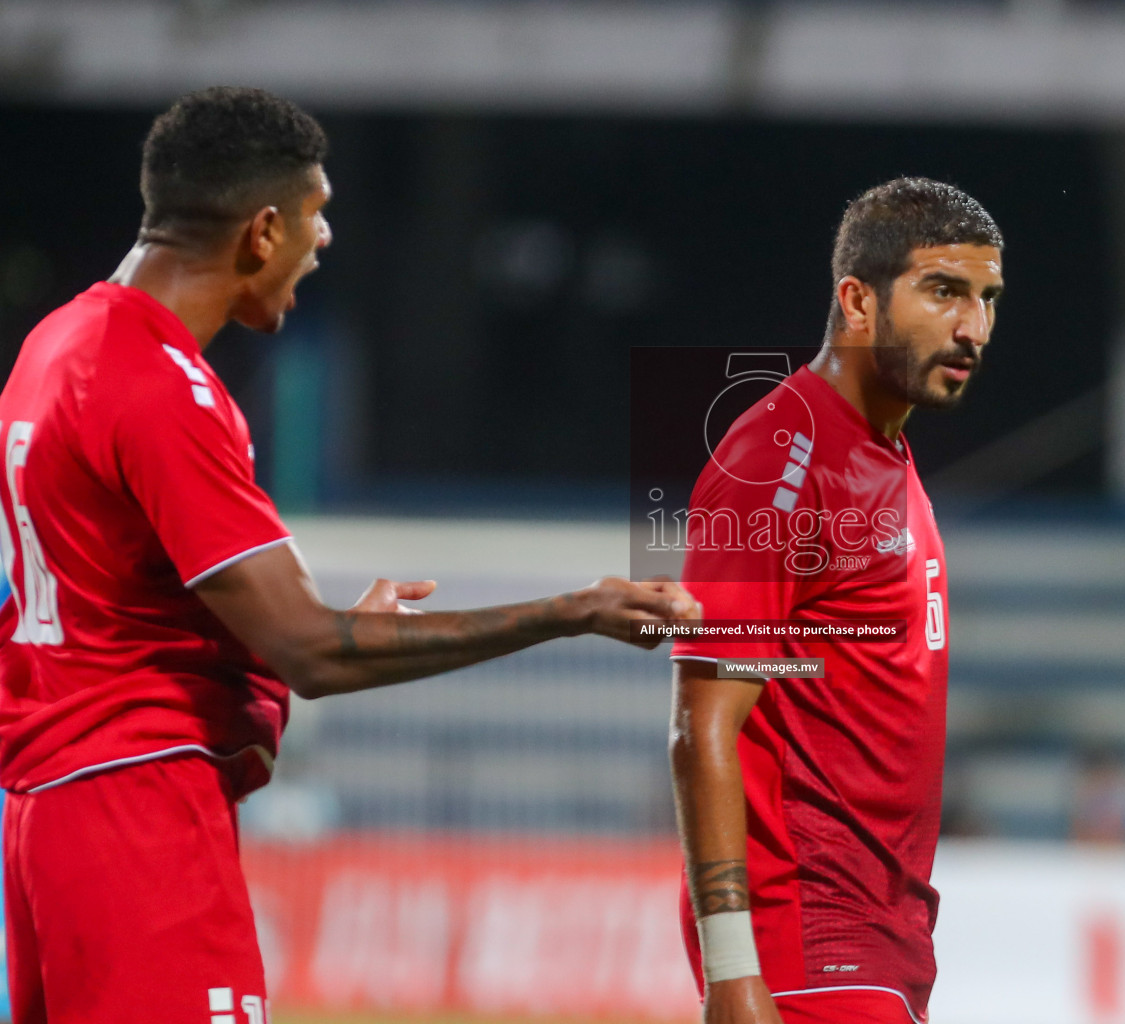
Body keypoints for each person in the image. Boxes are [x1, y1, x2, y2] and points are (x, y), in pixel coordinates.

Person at [0, 86, 696, 1024]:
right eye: (317, 218)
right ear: (262, 230)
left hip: (54, 812)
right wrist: (572, 610)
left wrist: (310, 629)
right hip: (139, 812)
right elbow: (313, 653)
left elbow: (122, 593)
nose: (323, 242)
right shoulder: (162, 387)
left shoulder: (60, 344)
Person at [668, 177, 1004, 1024]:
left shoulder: (883, 452)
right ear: (857, 300)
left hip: (882, 935)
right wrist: (733, 971)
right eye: (944, 292)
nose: (973, 328)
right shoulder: (777, 462)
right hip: (810, 938)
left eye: (987, 299)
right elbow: (700, 724)